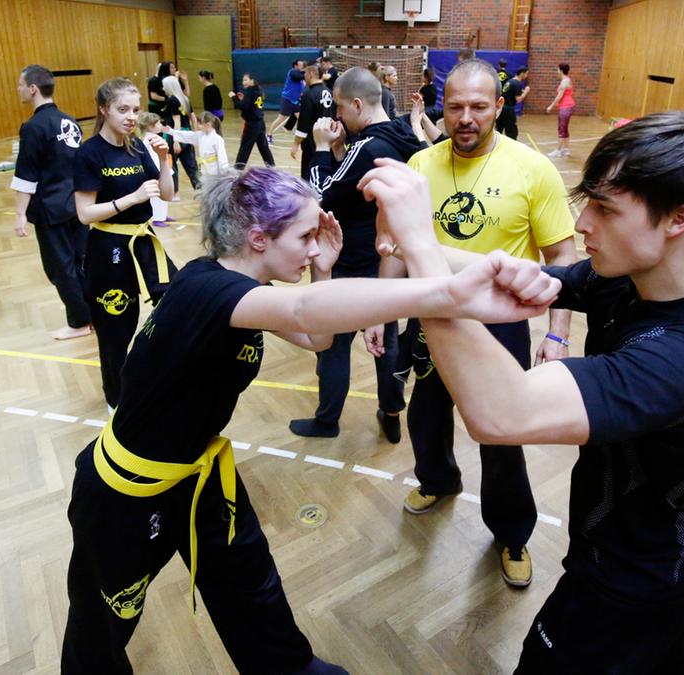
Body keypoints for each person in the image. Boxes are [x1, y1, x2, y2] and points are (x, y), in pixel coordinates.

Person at [60, 163, 559, 675]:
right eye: (304, 237)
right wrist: (448, 293)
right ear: (259, 238)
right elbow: (303, 312)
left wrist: (324, 268)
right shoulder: (205, 289)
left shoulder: (245, 289)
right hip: (125, 490)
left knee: (250, 586)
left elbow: (316, 338)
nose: (312, 247)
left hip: (197, 474)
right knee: (99, 629)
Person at [360, 110, 684, 674]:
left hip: (627, 583)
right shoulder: (629, 283)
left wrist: (420, 250)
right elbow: (523, 279)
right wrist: (411, 244)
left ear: (679, 218)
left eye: (605, 208)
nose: (582, 223)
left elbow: (501, 414)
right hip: (631, 556)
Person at [381, 59, 577, 588]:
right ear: (441, 108)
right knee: (426, 414)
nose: (465, 118)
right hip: (431, 314)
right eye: (455, 107)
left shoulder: (532, 169)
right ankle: (438, 479)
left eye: (478, 106)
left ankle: (511, 532)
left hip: (500, 323)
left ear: (498, 107)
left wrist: (557, 333)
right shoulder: (419, 164)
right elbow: (397, 244)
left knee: (502, 431)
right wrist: (383, 312)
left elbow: (562, 255)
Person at [290, 67, 425, 441]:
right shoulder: (400, 135)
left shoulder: (369, 147)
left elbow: (319, 196)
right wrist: (338, 150)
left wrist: (320, 148)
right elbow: (351, 188)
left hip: (352, 260)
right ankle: (391, 412)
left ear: (357, 104)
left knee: (333, 343)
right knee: (387, 342)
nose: (337, 115)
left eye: (340, 108)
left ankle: (327, 420)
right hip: (388, 260)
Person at [73, 78, 177, 411]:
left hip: (144, 242)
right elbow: (85, 213)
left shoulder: (137, 147)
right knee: (116, 328)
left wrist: (164, 160)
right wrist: (131, 198)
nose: (131, 117)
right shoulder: (89, 153)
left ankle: (157, 377)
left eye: (135, 109)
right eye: (123, 109)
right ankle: (115, 399)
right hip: (109, 247)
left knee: (177, 306)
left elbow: (167, 194)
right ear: (104, 109)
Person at [12, 64, 92, 339]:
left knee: (60, 268)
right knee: (81, 262)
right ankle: (91, 315)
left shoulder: (33, 127)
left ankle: (79, 322)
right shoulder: (70, 121)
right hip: (77, 204)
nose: (18, 89)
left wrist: (20, 214)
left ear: (33, 89)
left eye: (21, 85)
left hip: (51, 208)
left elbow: (26, 174)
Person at [291, 63, 334, 179]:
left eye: (305, 73)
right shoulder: (329, 92)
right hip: (329, 140)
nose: (304, 76)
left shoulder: (308, 94)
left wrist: (296, 144)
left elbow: (303, 123)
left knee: (308, 174)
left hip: (313, 141)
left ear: (311, 74)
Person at [162, 75, 200, 196]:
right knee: (191, 165)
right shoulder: (185, 98)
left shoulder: (172, 100)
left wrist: (176, 141)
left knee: (171, 164)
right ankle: (200, 190)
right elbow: (193, 117)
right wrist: (194, 135)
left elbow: (176, 121)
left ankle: (175, 193)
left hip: (175, 135)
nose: (163, 88)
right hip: (187, 135)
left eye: (164, 86)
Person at [229, 73, 275, 168]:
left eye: (246, 80)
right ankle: (272, 167)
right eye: (243, 80)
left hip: (252, 125)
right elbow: (251, 104)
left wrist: (234, 98)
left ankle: (238, 169)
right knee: (263, 147)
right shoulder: (258, 90)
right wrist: (243, 99)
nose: (243, 82)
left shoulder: (250, 91)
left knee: (245, 147)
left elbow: (243, 107)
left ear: (252, 80)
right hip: (260, 123)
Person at [165, 111, 230, 178]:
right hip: (204, 172)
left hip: (215, 174)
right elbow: (187, 135)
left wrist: (225, 173)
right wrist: (171, 131)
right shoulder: (200, 136)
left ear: (208, 125)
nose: (198, 126)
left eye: (200, 124)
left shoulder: (218, 139)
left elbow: (222, 158)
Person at [135, 112, 172, 227]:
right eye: (158, 123)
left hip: (160, 167)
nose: (161, 125)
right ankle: (158, 217)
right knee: (157, 194)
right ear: (150, 126)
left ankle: (163, 215)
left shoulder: (149, 137)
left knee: (163, 192)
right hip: (155, 169)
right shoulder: (150, 138)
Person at [267, 60, 306, 142]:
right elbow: (299, 76)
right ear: (295, 66)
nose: (302, 66)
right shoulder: (292, 73)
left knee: (302, 118)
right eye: (301, 65)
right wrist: (308, 71)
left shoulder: (301, 77)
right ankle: (269, 135)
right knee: (280, 119)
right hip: (287, 100)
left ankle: (304, 136)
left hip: (296, 101)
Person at [546, 63, 575, 158]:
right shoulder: (566, 80)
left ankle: (558, 151)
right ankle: (566, 150)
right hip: (567, 106)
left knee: (561, 128)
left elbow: (559, 96)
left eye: (557, 69)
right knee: (564, 128)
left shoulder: (564, 82)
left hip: (566, 107)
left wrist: (551, 106)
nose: (557, 71)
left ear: (561, 70)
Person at [496, 66, 530, 140]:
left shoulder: (510, 81)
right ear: (522, 73)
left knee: (499, 129)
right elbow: (518, 99)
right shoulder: (517, 84)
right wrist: (526, 92)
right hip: (508, 110)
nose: (527, 76)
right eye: (526, 74)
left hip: (502, 109)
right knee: (512, 132)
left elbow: (510, 92)